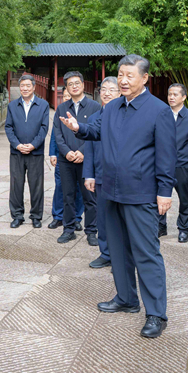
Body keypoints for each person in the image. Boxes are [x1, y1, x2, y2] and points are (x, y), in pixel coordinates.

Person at [61, 55, 176, 338]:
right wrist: (79, 128)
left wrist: (164, 192)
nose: (123, 81)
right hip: (109, 191)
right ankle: (126, 298)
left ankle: (156, 314)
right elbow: (96, 130)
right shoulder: (111, 108)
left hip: (140, 193)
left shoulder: (158, 110)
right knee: (118, 249)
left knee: (146, 253)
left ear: (145, 78)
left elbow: (167, 156)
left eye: (129, 76)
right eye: (120, 75)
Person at [54, 71, 100, 246]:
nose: (74, 86)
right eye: (70, 84)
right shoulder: (61, 108)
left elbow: (96, 132)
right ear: (66, 88)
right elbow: (58, 134)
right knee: (67, 195)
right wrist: (66, 152)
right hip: (66, 160)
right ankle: (69, 229)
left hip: (86, 159)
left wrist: (83, 152)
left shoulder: (95, 107)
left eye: (77, 83)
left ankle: (91, 231)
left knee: (89, 197)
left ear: (83, 85)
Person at [83, 77, 121, 268]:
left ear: (120, 93)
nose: (106, 93)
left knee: (122, 218)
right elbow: (89, 149)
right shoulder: (93, 118)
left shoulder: (125, 116)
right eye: (103, 89)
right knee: (104, 216)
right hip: (100, 175)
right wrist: (89, 174)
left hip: (122, 177)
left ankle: (122, 257)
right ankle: (106, 253)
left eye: (111, 90)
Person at [5, 74, 50, 228]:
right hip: (16, 153)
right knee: (16, 184)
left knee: (36, 185)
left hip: (35, 153)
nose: (24, 88)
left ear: (33, 87)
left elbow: (44, 128)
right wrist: (17, 145)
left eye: (27, 86)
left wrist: (33, 145)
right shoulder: (12, 106)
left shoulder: (43, 105)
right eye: (22, 86)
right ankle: (17, 215)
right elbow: (8, 127)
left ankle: (36, 216)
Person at [161, 83, 188, 243]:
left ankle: (184, 228)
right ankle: (160, 226)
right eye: (169, 94)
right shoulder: (162, 114)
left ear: (184, 97)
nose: (171, 97)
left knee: (184, 198)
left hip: (183, 164)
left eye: (175, 94)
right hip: (163, 164)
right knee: (160, 195)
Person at [48, 88, 84, 230]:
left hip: (79, 157)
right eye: (66, 96)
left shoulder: (82, 112)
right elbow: (54, 136)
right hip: (62, 157)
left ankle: (76, 217)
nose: (68, 97)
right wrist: (52, 153)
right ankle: (58, 216)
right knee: (60, 187)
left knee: (79, 189)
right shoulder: (60, 111)